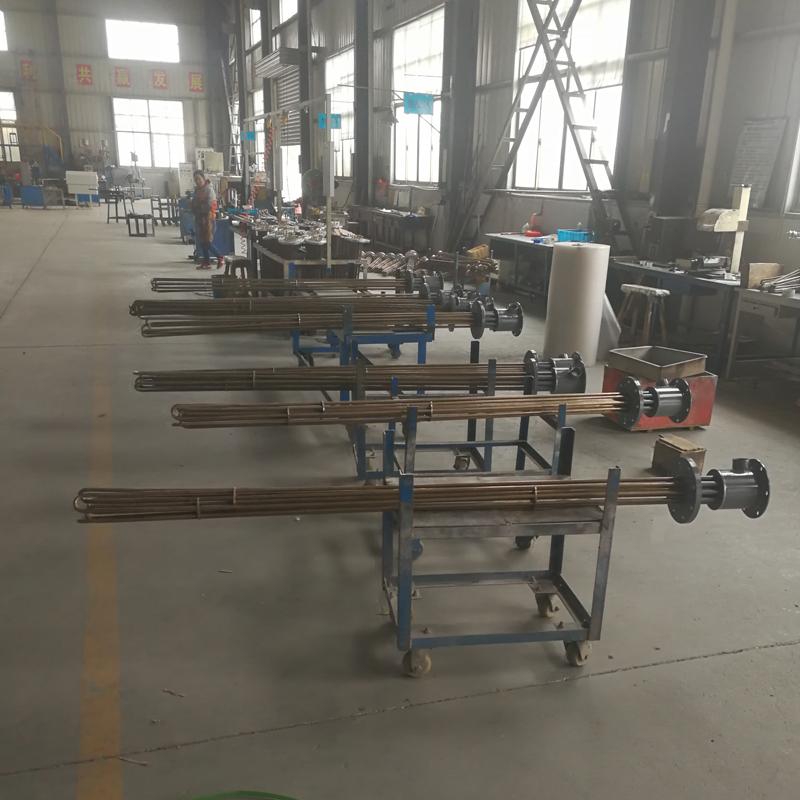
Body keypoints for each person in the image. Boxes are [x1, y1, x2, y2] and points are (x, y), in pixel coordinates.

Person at [190, 170, 223, 269]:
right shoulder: (197, 190)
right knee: (202, 242)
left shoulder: (209, 190)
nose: (197, 181)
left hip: (209, 220)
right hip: (200, 219)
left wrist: (198, 207)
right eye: (196, 180)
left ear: (203, 178)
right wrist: (193, 206)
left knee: (207, 242)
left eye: (199, 179)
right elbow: (194, 203)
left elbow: (209, 205)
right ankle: (206, 262)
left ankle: (220, 257)